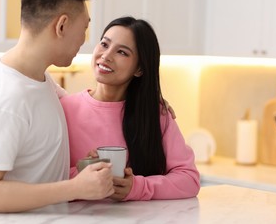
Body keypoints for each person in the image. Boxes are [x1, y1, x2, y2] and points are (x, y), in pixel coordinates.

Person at [0, 0, 114, 215]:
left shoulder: (39, 79)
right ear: (62, 25)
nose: (84, 41)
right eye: (84, 28)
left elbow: (85, 106)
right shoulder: (5, 98)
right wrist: (75, 188)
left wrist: (151, 104)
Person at [60, 17, 200, 201]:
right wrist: (80, 174)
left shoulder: (155, 115)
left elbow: (189, 179)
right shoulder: (63, 110)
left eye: (122, 52)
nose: (106, 55)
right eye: (104, 44)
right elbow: (43, 177)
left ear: (140, 69)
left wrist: (137, 187)